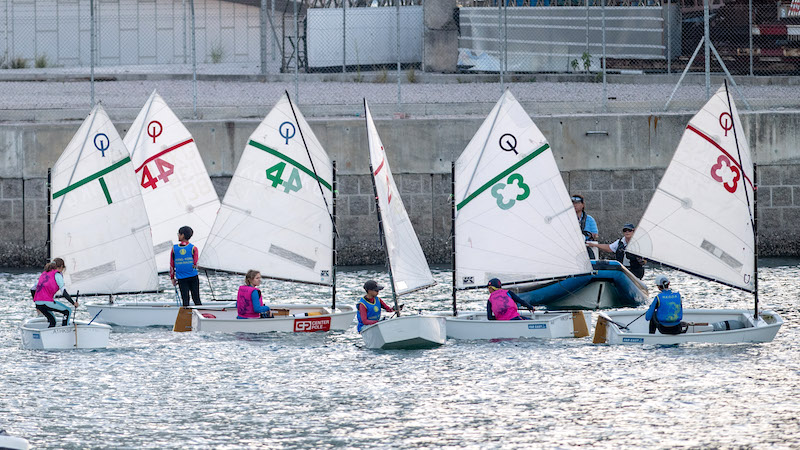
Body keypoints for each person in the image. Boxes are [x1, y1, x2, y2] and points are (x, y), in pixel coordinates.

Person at [32, 258, 77, 328]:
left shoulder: (44, 274)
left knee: (52, 321)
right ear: (61, 267)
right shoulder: (58, 275)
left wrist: (35, 303)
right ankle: (64, 330)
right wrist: (73, 303)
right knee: (67, 311)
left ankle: (49, 335)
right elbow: (64, 293)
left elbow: (32, 289)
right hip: (47, 302)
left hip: (38, 304)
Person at [170, 225, 202, 306]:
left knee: (185, 300)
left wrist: (172, 278)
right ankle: (201, 315)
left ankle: (186, 317)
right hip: (193, 277)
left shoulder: (174, 248)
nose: (178, 235)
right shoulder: (193, 248)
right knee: (196, 298)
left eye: (179, 234)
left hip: (181, 278)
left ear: (182, 235)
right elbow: (195, 262)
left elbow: (171, 265)